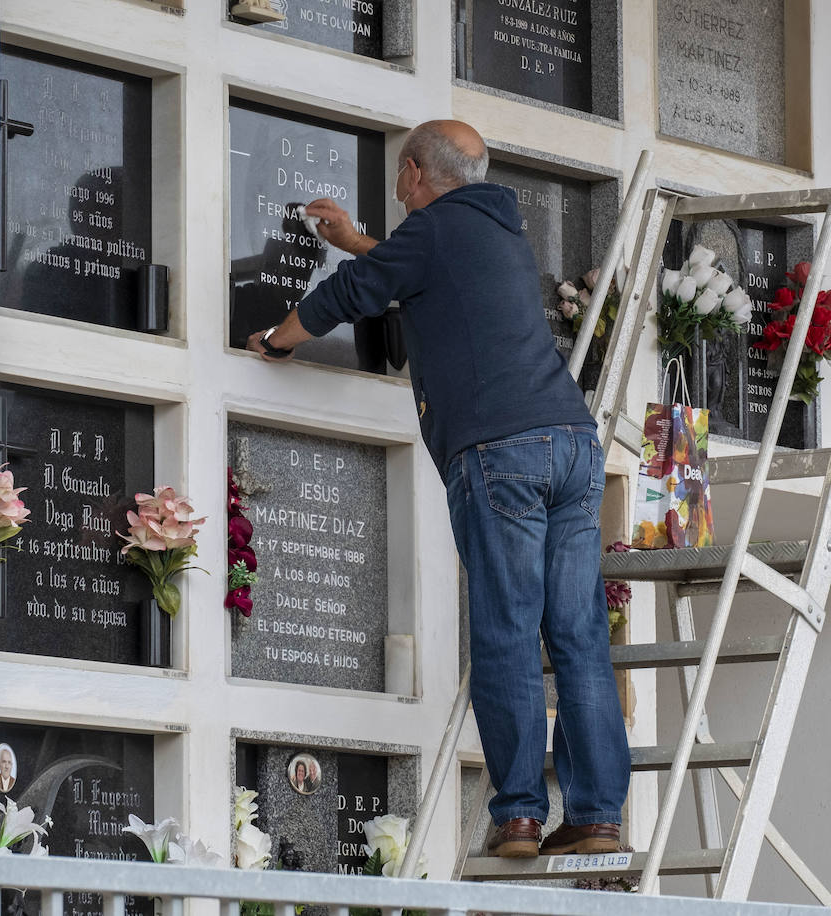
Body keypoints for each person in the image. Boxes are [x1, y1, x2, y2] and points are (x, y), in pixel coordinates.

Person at [248, 120, 630, 858]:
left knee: (508, 630)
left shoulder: (433, 230)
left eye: (401, 176)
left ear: (417, 173)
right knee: (579, 637)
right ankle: (596, 815)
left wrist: (274, 341)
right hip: (573, 446)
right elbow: (407, 267)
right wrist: (363, 240)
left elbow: (353, 292)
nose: (399, 192)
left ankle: (518, 813)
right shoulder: (498, 229)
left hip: (502, 451)